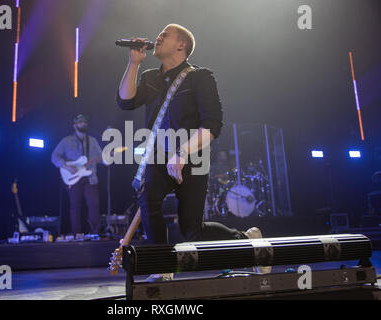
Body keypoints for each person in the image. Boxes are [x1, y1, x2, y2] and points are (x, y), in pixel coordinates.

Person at [116, 24, 267, 281]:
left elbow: (213, 124)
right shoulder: (151, 77)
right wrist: (133, 64)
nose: (158, 36)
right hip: (159, 153)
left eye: (165, 34)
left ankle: (248, 239)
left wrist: (183, 152)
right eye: (159, 34)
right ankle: (163, 265)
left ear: (181, 45)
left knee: (192, 231)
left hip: (192, 156)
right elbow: (126, 101)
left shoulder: (201, 77)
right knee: (148, 197)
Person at [51, 114, 102, 237]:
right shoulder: (66, 141)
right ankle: (76, 234)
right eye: (80, 122)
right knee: (75, 205)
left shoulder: (93, 141)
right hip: (73, 179)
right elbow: (54, 157)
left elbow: (101, 158)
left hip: (90, 178)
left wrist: (109, 156)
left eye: (84, 122)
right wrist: (67, 167)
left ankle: (94, 233)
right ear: (74, 125)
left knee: (94, 204)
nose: (82, 124)